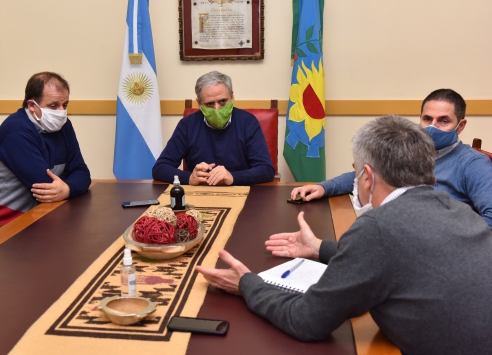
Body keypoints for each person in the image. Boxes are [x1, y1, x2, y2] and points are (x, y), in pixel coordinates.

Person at [196, 115, 492, 354]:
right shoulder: (457, 210)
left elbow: (306, 321)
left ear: (367, 175)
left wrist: (248, 283)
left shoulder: (377, 226)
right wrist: (319, 249)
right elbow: (404, 257)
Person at [291, 89, 492, 228]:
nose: (432, 126)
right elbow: (369, 173)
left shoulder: (473, 164)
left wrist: (450, 238)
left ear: (461, 125)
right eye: (427, 119)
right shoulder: (412, 150)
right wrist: (324, 187)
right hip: (396, 233)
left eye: (444, 121)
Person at [0, 72, 91, 225]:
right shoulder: (16, 132)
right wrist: (71, 185)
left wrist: (67, 189)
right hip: (4, 223)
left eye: (64, 105)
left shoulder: (64, 126)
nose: (61, 112)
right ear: (32, 105)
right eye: (53, 106)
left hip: (43, 215)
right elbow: (45, 188)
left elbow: (82, 171)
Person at [152, 71, 274, 186]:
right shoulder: (187, 125)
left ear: (232, 97)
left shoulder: (248, 122)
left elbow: (266, 170)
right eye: (210, 104)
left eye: (222, 101)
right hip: (198, 197)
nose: (217, 109)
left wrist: (233, 177)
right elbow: (160, 168)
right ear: (199, 103)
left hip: (241, 192)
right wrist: (189, 178)